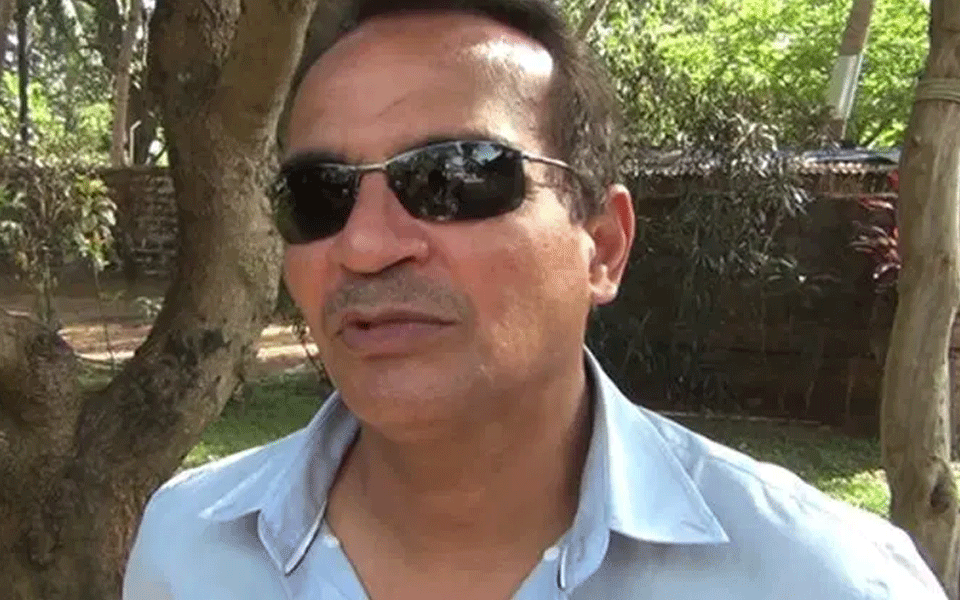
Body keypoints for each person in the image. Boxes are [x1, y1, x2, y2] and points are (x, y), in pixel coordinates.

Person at [122, 0, 947, 598]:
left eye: (456, 177)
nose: (366, 246)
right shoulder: (187, 549)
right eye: (319, 195)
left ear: (604, 246)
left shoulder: (823, 580)